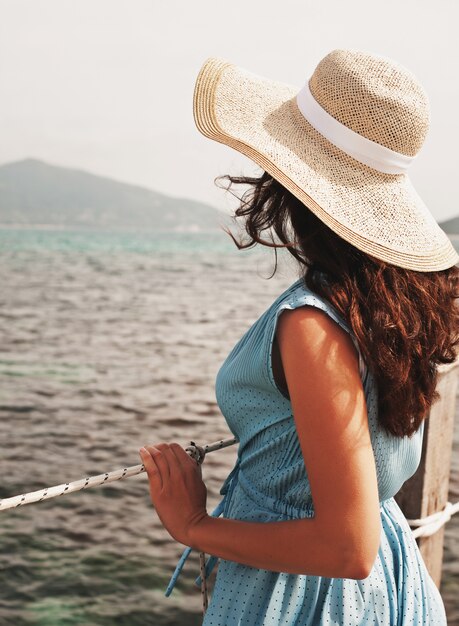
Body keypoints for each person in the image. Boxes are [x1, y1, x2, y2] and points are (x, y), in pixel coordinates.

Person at [138, 49, 459, 625]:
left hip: (304, 597)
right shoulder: (387, 308)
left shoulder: (313, 326)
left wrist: (195, 526)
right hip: (392, 578)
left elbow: (346, 550)